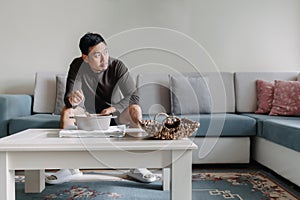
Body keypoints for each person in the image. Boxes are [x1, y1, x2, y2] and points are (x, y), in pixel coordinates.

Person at [45, 32, 156, 184]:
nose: (104, 59)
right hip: (88, 118)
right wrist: (73, 100)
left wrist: (113, 108)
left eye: (106, 52)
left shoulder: (117, 66)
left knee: (135, 109)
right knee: (67, 111)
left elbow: (134, 96)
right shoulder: (77, 65)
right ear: (85, 58)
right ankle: (69, 167)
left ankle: (137, 166)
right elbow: (69, 98)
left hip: (115, 117)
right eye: (97, 55)